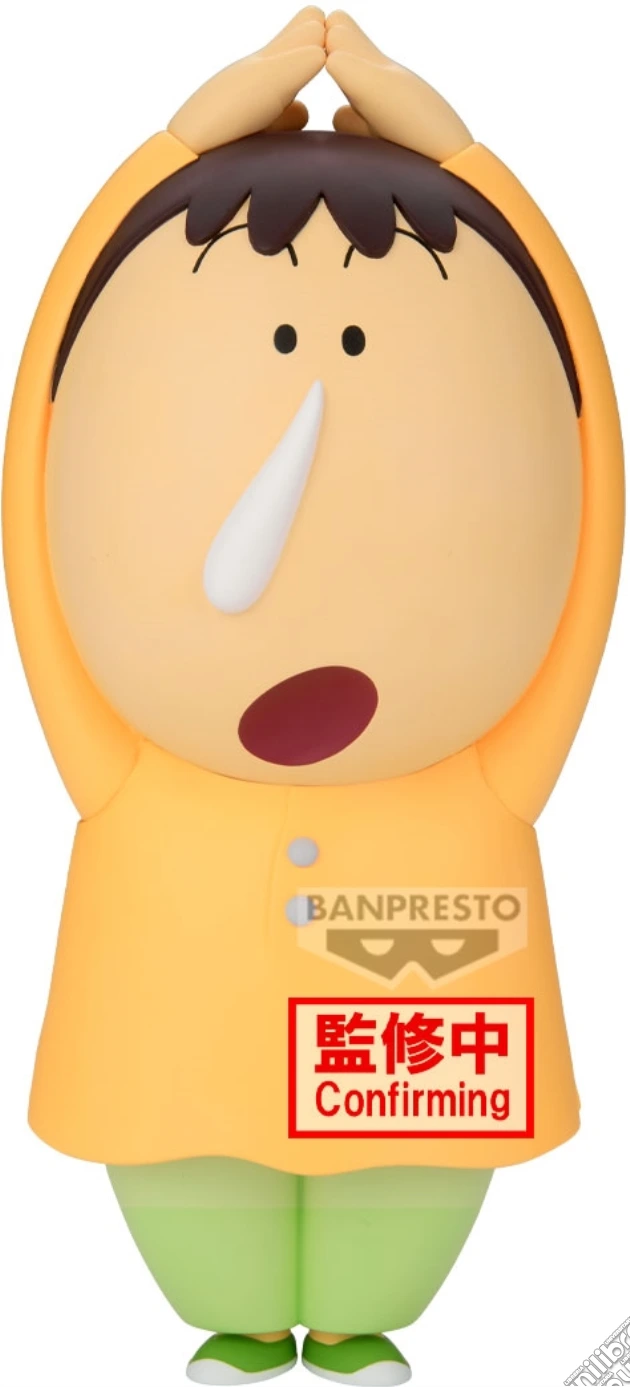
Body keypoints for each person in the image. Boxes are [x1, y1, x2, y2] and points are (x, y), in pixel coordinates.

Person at [4, 9, 623, 1385]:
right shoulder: (118, 753)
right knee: (200, 1212)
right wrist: (164, 156)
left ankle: (358, 1340)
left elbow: (590, 464)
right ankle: (234, 1339)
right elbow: (40, 417)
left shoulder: (491, 761)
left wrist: (477, 168)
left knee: (387, 1232)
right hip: (174, 1016)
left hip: (417, 1003)